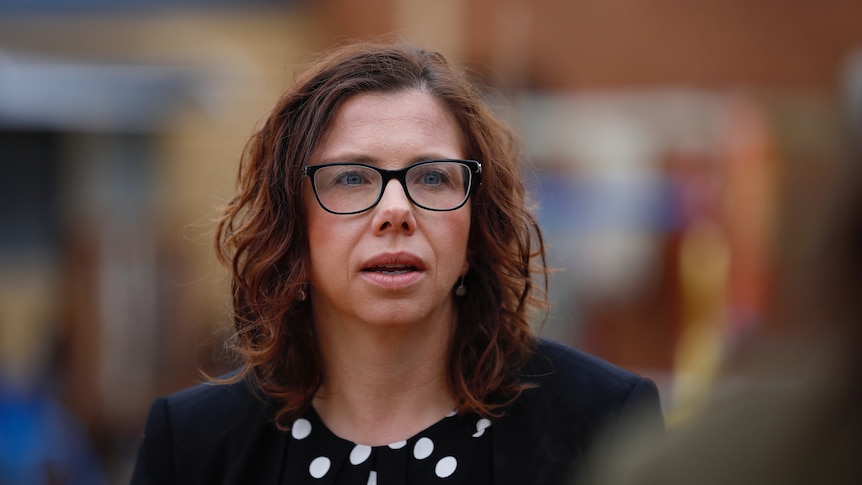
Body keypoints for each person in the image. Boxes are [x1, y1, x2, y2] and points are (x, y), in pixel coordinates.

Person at [130, 40, 663, 485]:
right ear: (293, 223)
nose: (395, 211)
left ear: (477, 226)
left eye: (432, 177)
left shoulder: (604, 423)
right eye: (351, 178)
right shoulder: (194, 445)